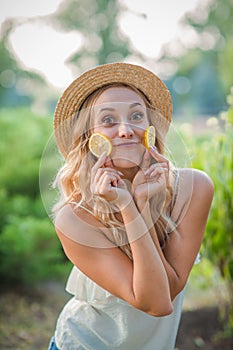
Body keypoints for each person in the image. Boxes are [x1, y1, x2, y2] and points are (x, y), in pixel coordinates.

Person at [48, 62, 214, 350]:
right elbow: (155, 304)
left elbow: (167, 292)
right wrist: (129, 207)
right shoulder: (75, 218)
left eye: (137, 115)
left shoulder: (193, 188)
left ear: (150, 128)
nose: (126, 130)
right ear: (90, 139)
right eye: (109, 120)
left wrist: (141, 204)